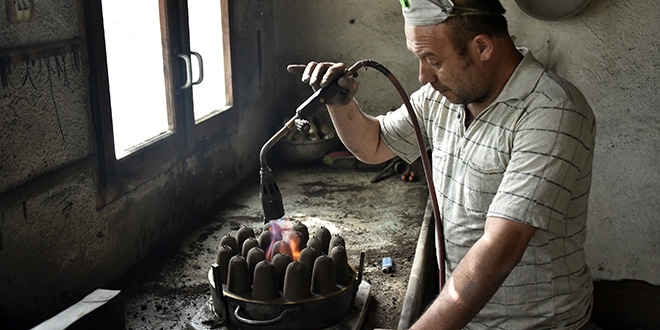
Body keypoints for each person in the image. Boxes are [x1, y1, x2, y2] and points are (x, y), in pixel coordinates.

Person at [288, 0, 596, 329]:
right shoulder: (442, 98)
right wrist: (340, 103)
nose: (423, 75)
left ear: (482, 47)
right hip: (465, 317)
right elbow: (374, 144)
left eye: (432, 60)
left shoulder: (552, 111)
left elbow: (499, 249)